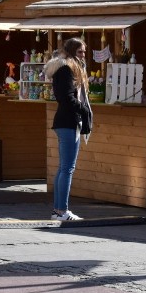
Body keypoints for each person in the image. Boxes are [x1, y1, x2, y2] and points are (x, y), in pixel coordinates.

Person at [44, 37, 93, 222]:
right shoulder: (66, 69)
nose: (83, 55)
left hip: (65, 121)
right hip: (68, 122)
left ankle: (58, 210)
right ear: (72, 51)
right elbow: (67, 97)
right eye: (80, 52)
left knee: (63, 168)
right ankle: (62, 211)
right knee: (67, 169)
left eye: (84, 52)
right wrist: (84, 109)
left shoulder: (65, 68)